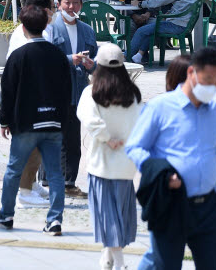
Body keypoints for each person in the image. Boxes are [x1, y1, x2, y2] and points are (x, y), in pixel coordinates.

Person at [126, 48, 216, 270]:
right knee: (165, 265)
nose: (212, 86)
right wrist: (160, 171)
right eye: (208, 79)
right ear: (191, 72)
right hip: (171, 202)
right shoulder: (160, 107)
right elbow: (135, 146)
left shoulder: (215, 111)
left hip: (208, 206)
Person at [0, 3, 71, 236]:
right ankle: (55, 220)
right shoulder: (58, 55)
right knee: (55, 173)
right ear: (46, 24)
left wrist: (4, 121)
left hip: (26, 122)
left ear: (23, 28)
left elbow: (8, 91)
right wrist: (62, 119)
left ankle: (6, 214)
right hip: (53, 122)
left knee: (14, 169)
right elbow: (66, 91)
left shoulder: (18, 56)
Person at [76, 43, 142, 270]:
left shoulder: (92, 92)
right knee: (121, 213)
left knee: (107, 215)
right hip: (126, 164)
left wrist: (106, 137)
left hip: (101, 162)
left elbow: (88, 119)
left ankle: (119, 261)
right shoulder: (133, 94)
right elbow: (139, 123)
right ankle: (108, 255)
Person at [43, 0, 97, 199]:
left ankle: (69, 182)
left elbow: (95, 61)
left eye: (75, 2)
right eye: (67, 2)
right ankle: (46, 181)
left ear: (81, 4)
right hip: (55, 91)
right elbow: (43, 58)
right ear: (58, 4)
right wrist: (68, 59)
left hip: (79, 91)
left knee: (73, 139)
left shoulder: (87, 30)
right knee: (53, 136)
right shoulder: (50, 28)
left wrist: (91, 65)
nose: (71, 6)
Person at [3, 0, 55, 209]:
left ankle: (30, 185)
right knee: (30, 148)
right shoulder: (28, 33)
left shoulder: (41, 28)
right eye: (52, 8)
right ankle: (24, 193)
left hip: (35, 96)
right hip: (28, 97)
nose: (55, 11)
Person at [131, 0, 198, 64]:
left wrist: (140, 4)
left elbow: (161, 0)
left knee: (141, 31)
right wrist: (168, 14)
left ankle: (127, 55)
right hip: (184, 24)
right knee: (150, 30)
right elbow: (182, 6)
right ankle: (139, 55)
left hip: (177, 25)